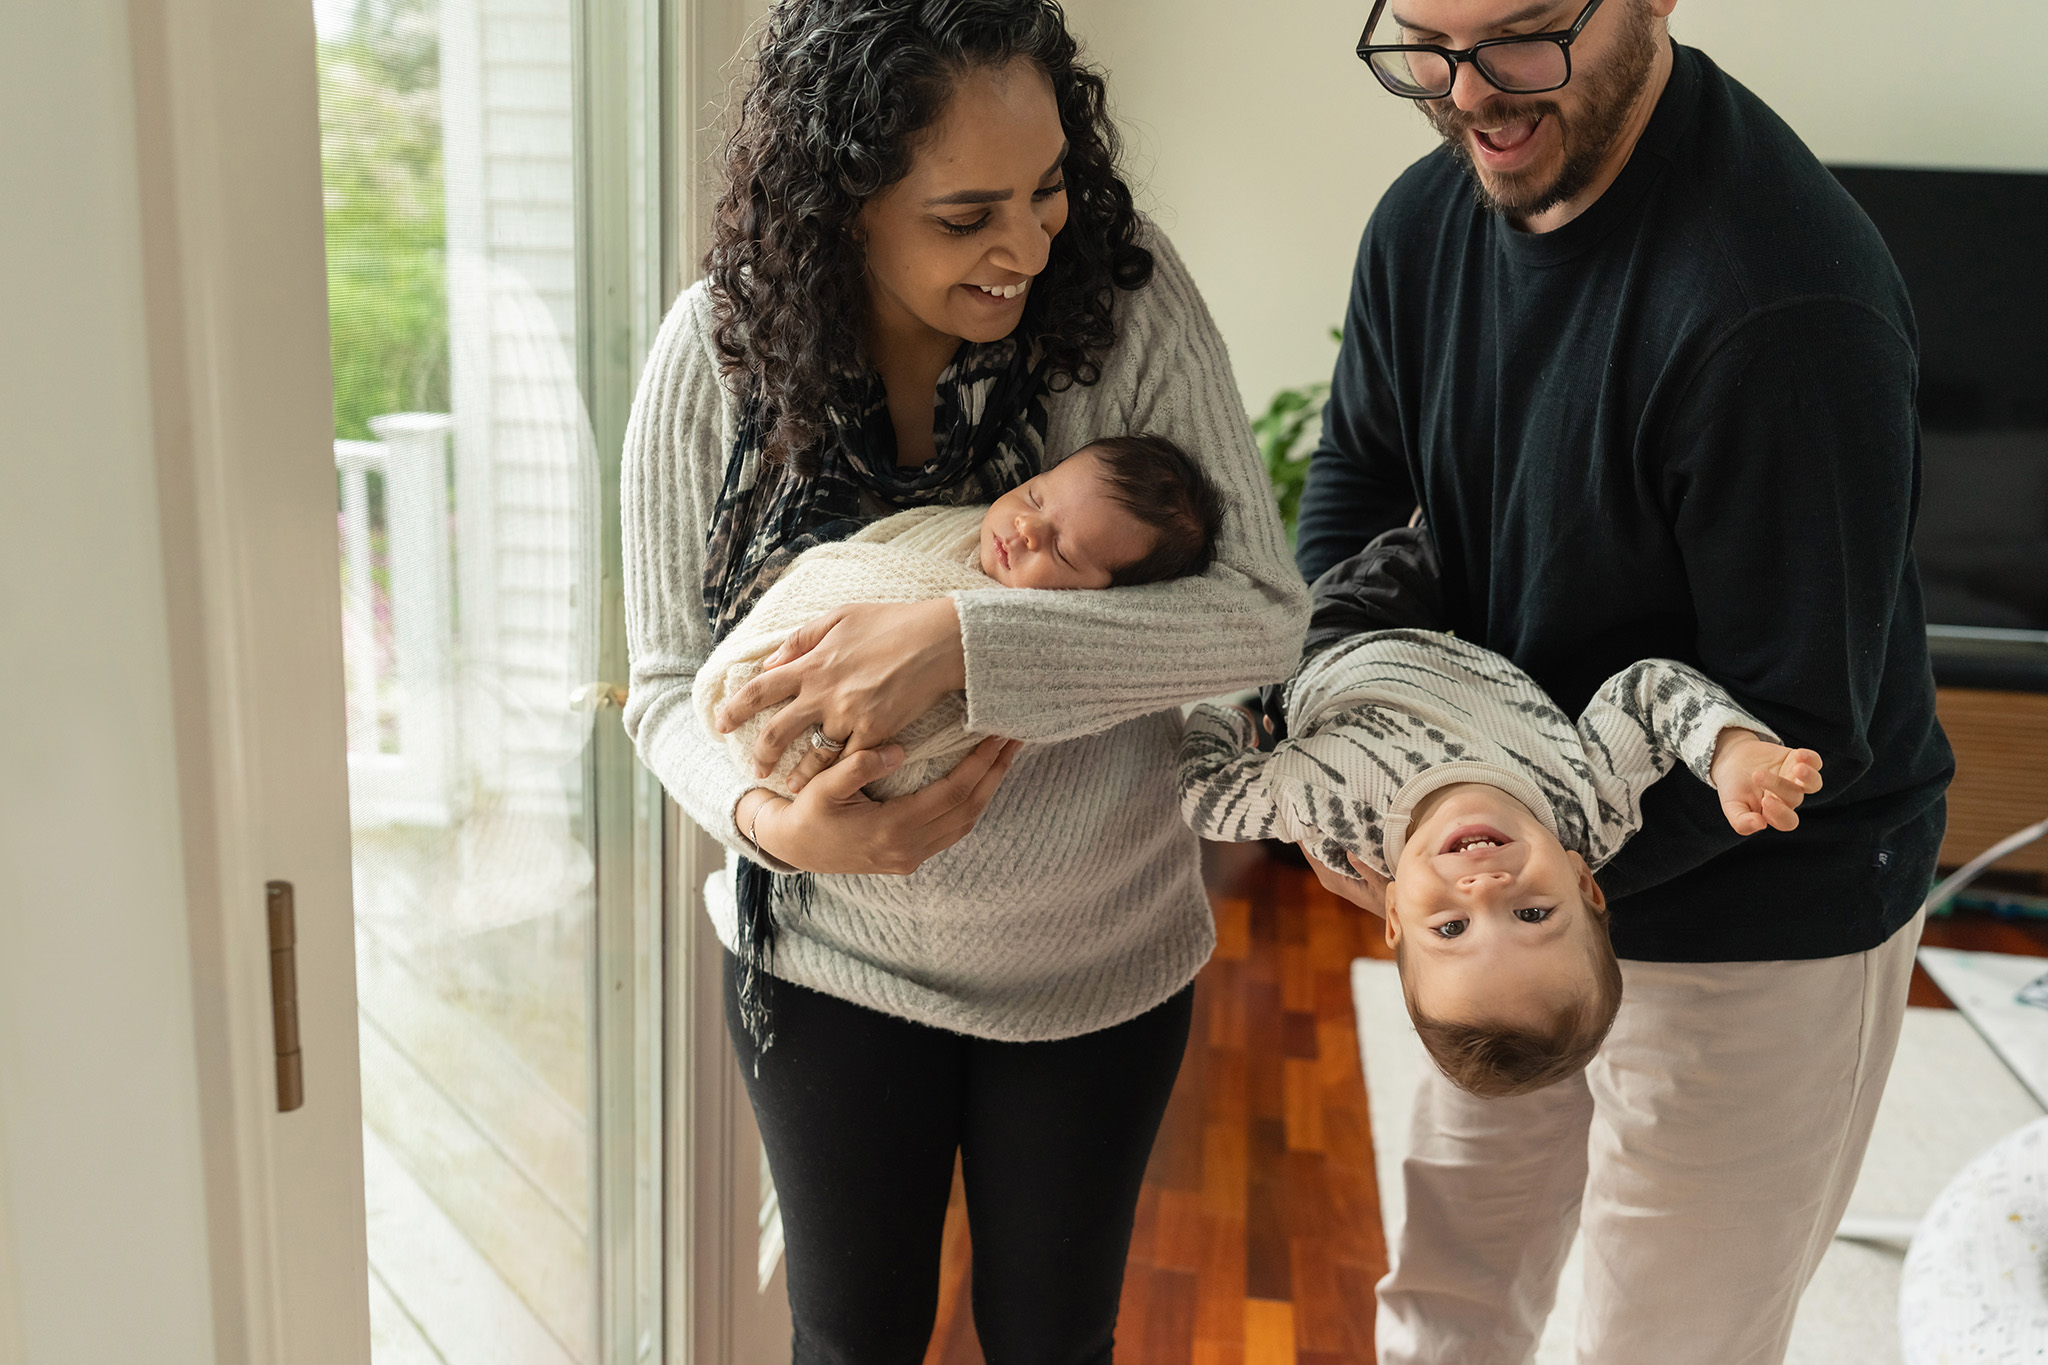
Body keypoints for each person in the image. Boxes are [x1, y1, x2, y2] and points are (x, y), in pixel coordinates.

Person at [619, 1, 1308, 1358]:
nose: (1027, 246)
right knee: (849, 1340)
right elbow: (661, 683)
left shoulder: (1121, 292)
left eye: (1049, 187)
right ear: (841, 206)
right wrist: (775, 825)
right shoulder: (714, 355)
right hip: (826, 958)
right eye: (965, 215)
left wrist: (963, 643)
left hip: (1095, 965)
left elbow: (1261, 619)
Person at [1303, 0, 1953, 1360]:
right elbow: (1359, 474)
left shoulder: (1783, 306)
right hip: (1518, 843)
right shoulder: (1426, 221)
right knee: (1449, 1298)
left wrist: (1514, 875)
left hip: (1766, 903)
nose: (1469, 93)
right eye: (1425, 41)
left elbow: (1800, 724)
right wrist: (1348, 737)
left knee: (1665, 1341)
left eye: (1524, 36)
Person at [1179, 527, 1824, 1098]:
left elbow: (1207, 800)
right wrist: (1730, 753)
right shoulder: (1589, 811)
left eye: (1451, 929)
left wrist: (1226, 719)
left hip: (1351, 639)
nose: (1485, 889)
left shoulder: (1333, 811)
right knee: (1507, 540)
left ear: (1394, 915)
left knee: (1407, 548)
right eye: (1533, 913)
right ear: (1583, 881)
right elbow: (1648, 693)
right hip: (1485, 637)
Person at [697, 435, 1223, 807]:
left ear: (1103, 603)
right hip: (778, 668)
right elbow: (860, 554)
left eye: (1062, 550)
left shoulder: (1049, 649)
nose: (1026, 528)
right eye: (1037, 496)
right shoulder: (962, 523)